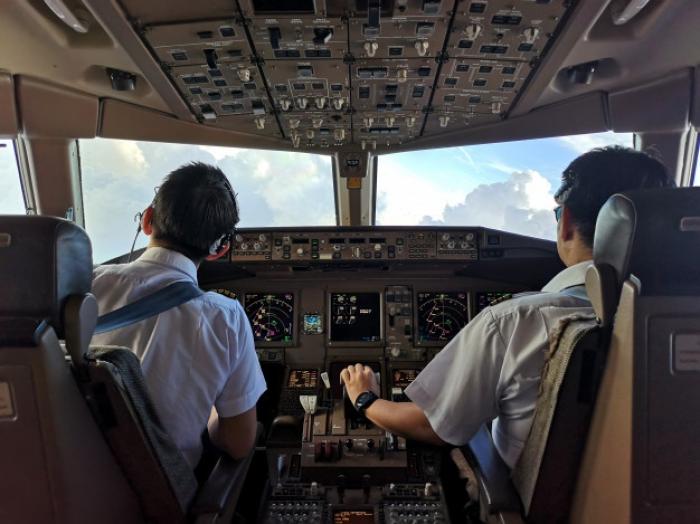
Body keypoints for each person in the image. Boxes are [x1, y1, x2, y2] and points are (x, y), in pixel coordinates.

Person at [341, 145, 672, 468]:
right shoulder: (680, 322)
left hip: (518, 499)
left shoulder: (516, 320)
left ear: (567, 221)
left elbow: (432, 426)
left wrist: (364, 398)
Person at [92, 162, 266, 468]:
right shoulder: (225, 317)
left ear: (147, 220)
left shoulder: (81, 285)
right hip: (157, 491)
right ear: (219, 249)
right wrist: (211, 412)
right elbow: (238, 443)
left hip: (58, 478)